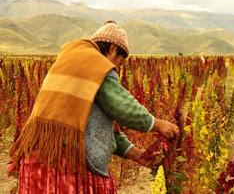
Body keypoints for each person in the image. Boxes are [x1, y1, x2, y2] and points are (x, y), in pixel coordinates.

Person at [8, 20, 180, 193]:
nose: (117, 68)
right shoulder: (97, 64)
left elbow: (96, 126)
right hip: (66, 164)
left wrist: (136, 155)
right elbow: (123, 107)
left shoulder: (71, 61)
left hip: (38, 160)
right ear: (113, 49)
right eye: (120, 62)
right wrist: (157, 124)